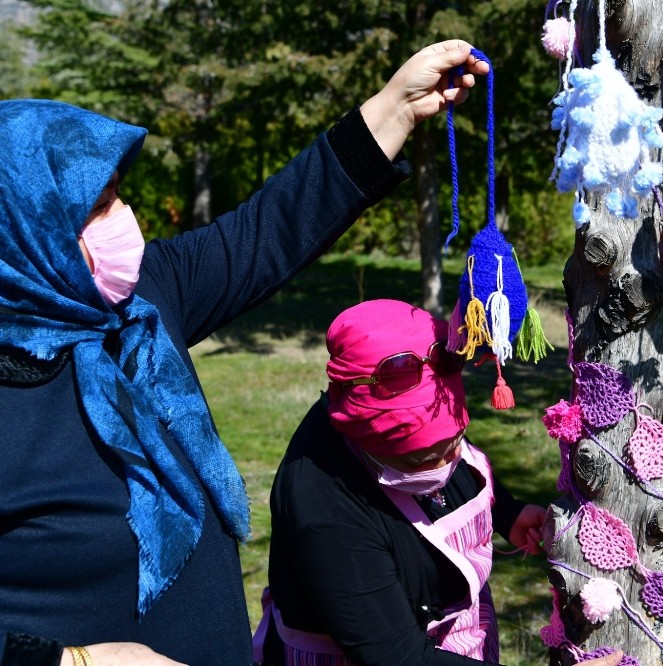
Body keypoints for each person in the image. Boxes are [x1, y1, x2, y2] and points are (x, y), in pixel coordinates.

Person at [0, 41, 489, 666]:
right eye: (98, 208)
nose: (126, 219)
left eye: (119, 195)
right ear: (24, 235)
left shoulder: (144, 301)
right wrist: (72, 661)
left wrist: (397, 107)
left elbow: (269, 229)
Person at [256, 300, 622, 666]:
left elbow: (454, 456)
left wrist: (506, 512)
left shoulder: (425, 393)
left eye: (454, 441)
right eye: (421, 458)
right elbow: (398, 659)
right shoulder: (324, 508)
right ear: (368, 437)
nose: (448, 462)